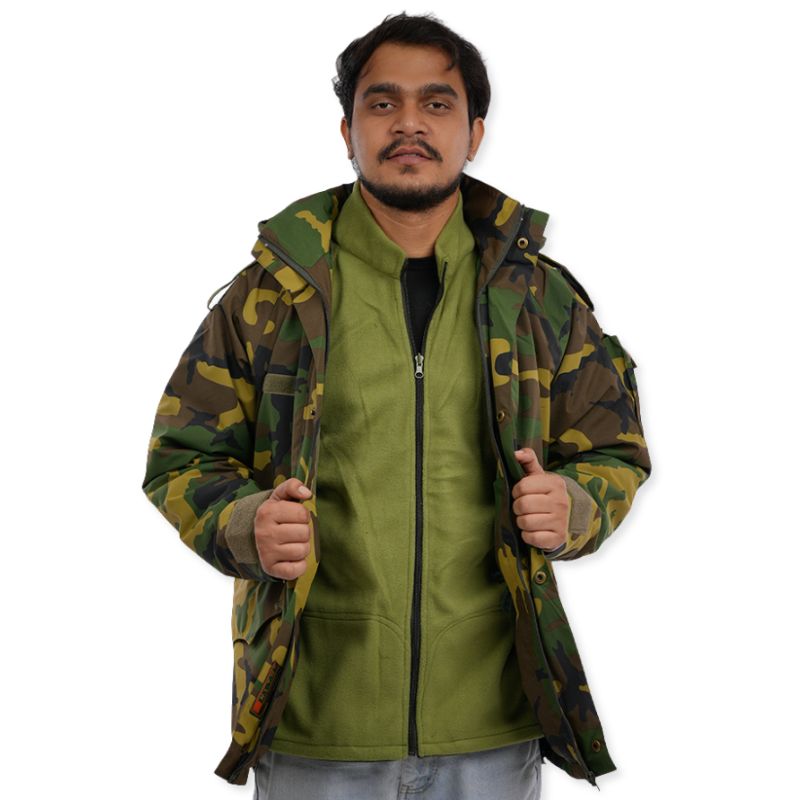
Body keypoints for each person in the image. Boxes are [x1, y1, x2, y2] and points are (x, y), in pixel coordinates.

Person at [141, 12, 651, 800]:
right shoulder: (273, 294)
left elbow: (614, 450)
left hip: (493, 724)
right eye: (382, 103)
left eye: (436, 103)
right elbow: (181, 458)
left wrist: (575, 504)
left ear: (474, 133)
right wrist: (244, 523)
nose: (409, 123)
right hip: (316, 723)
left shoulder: (537, 298)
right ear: (348, 131)